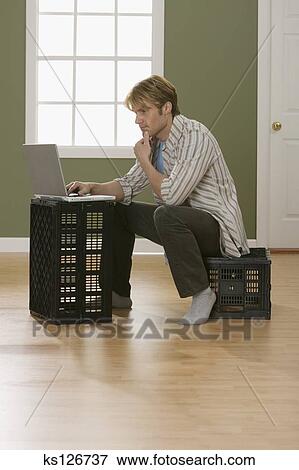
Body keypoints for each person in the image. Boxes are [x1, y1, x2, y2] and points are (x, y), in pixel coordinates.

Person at [66, 75, 249, 324]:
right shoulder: (155, 144)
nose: (138, 119)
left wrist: (144, 159)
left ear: (166, 108)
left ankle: (202, 293)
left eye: (144, 111)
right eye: (136, 112)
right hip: (179, 223)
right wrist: (92, 187)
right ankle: (118, 293)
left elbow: (172, 197)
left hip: (216, 230)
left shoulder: (195, 137)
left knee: (166, 212)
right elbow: (128, 185)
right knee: (116, 208)